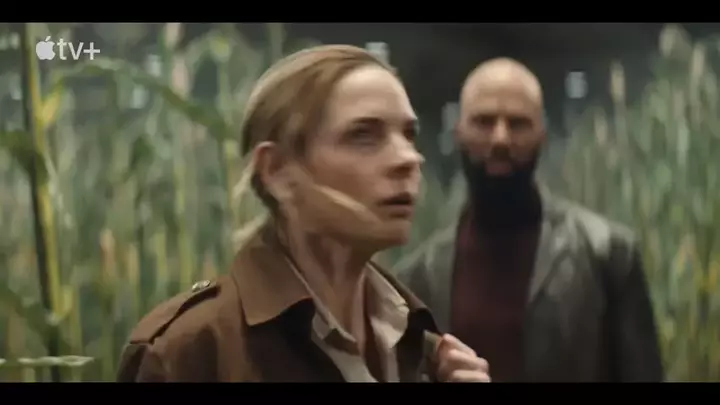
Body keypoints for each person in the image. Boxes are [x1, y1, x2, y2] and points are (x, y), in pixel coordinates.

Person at [116, 45, 490, 383]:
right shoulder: (192, 351)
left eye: (408, 135)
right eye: (364, 135)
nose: (409, 158)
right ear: (277, 171)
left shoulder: (420, 346)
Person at [396, 58, 664, 382]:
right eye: (484, 122)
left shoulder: (607, 254)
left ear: (542, 136)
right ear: (459, 134)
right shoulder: (419, 278)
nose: (500, 139)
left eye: (518, 123)